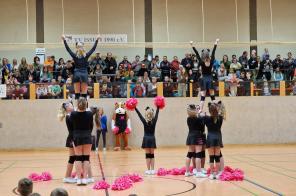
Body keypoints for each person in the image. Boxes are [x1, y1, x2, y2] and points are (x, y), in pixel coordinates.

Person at [62, 35, 99, 100]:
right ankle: (84, 108)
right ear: (83, 48)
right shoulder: (86, 56)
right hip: (84, 74)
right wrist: (97, 40)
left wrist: (64, 40)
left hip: (76, 74)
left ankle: (77, 109)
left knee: (77, 94)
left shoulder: (75, 56)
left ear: (77, 48)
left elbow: (68, 49)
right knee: (84, 94)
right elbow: (93, 49)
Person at [69, 97, 93, 185]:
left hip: (77, 137)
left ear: (77, 104)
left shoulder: (73, 114)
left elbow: (71, 127)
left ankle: (79, 179)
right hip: (87, 136)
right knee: (86, 158)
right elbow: (91, 126)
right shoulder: (90, 114)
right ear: (86, 104)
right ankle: (85, 179)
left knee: (78, 158)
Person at [191, 39, 219, 112]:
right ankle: (216, 109)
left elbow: (197, 53)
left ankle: (200, 110)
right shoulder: (212, 61)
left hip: (204, 79)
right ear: (209, 57)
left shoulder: (202, 63)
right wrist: (216, 42)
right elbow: (213, 51)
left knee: (203, 96)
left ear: (204, 57)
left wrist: (192, 45)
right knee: (212, 96)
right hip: (210, 79)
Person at [134, 106, 160, 175]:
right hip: (152, 139)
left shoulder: (144, 122)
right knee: (152, 155)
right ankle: (152, 170)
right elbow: (157, 114)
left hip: (146, 139)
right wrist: (158, 107)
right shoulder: (154, 121)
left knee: (147, 155)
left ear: (146, 114)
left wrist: (135, 108)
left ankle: (148, 170)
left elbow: (139, 115)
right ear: (152, 115)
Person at [185, 104, 207, 178]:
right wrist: (203, 116)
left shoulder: (188, 118)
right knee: (198, 154)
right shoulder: (198, 119)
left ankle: (187, 171)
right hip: (198, 136)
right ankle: (198, 172)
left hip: (190, 136)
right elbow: (202, 128)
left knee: (189, 154)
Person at [204, 102, 224, 180]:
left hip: (210, 138)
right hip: (218, 137)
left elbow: (199, 115)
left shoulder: (206, 118)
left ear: (210, 111)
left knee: (211, 157)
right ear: (217, 110)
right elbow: (222, 110)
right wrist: (218, 105)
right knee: (217, 157)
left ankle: (212, 174)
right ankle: (218, 173)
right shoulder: (220, 118)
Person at [58, 101, 76, 184]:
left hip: (73, 138)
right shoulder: (69, 116)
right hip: (72, 139)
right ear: (67, 108)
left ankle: (68, 176)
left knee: (73, 158)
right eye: (71, 105)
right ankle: (67, 177)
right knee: (74, 158)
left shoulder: (71, 115)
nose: (72, 106)